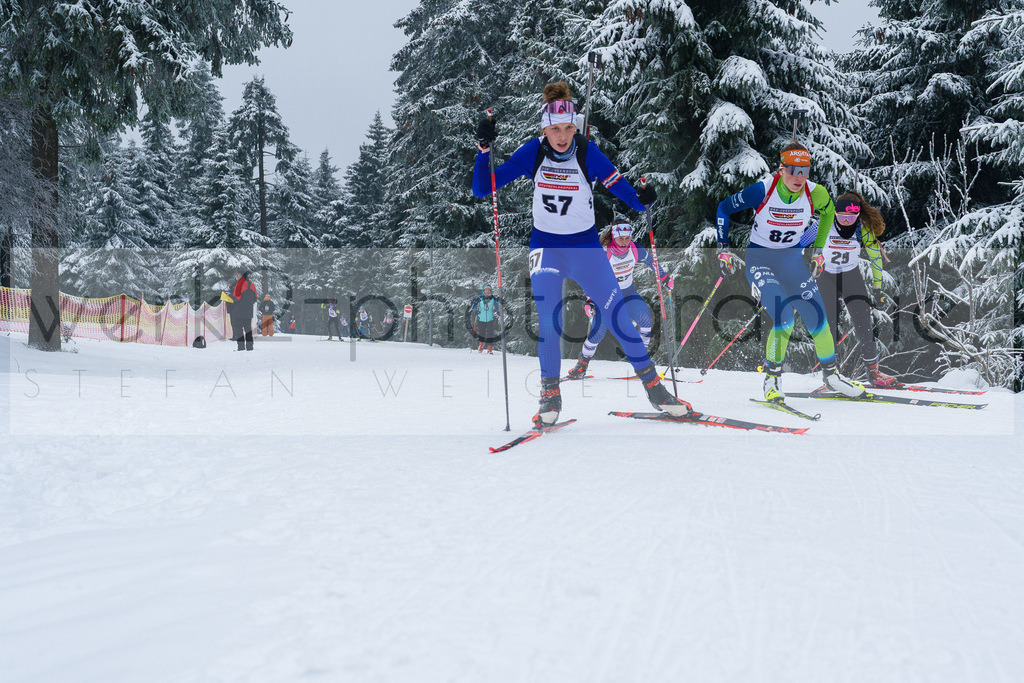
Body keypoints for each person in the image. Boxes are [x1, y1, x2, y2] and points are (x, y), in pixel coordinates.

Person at [471, 80, 690, 425]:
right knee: (548, 321)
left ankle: (655, 389)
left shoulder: (586, 151)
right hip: (547, 247)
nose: (562, 136)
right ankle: (550, 396)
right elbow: (484, 188)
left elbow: (618, 186)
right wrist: (484, 149)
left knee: (617, 313)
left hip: (586, 247)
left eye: (568, 128)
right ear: (545, 127)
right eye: (555, 129)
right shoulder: (534, 152)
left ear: (576, 125)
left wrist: (641, 199)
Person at [715, 142, 863, 400]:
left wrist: (818, 252)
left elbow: (828, 214)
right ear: (780, 169)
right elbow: (723, 208)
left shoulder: (815, 193)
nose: (799, 177)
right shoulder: (763, 189)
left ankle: (832, 376)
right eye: (793, 169)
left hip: (791, 261)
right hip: (760, 260)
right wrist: (723, 249)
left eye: (804, 170)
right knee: (784, 318)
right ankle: (771, 380)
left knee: (818, 318)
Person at [566, 217, 673, 378]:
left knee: (645, 319)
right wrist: (588, 301)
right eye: (620, 238)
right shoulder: (603, 253)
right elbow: (589, 278)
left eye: (627, 238)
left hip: (628, 294)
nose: (624, 242)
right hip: (605, 298)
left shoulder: (635, 250)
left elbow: (652, 262)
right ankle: (581, 367)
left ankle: (642, 363)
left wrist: (664, 278)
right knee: (598, 332)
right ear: (613, 237)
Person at [812, 191, 896, 387]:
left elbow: (876, 258)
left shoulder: (863, 229)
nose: (847, 220)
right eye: (843, 216)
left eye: (852, 216)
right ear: (835, 213)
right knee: (829, 326)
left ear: (858, 215)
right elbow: (798, 243)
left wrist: (877, 289)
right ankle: (830, 375)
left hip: (851, 277)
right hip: (826, 277)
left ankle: (873, 373)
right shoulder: (823, 225)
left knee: (864, 323)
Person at [231, 271, 257, 351]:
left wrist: (230, 297)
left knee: (239, 330)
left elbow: (236, 298)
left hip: (238, 311)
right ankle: (250, 347)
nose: (237, 276)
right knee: (248, 329)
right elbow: (255, 298)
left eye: (238, 274)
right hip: (248, 312)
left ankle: (241, 347)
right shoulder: (252, 284)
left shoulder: (240, 284)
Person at [471, 284, 498, 354]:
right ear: (483, 291)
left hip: (490, 318)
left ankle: (489, 348)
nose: (487, 291)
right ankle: (481, 345)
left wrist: (498, 312)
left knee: (490, 333)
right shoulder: (479, 298)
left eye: (489, 290)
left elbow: (497, 307)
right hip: (481, 318)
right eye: (486, 290)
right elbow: (474, 307)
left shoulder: (493, 298)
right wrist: (475, 311)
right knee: (481, 333)